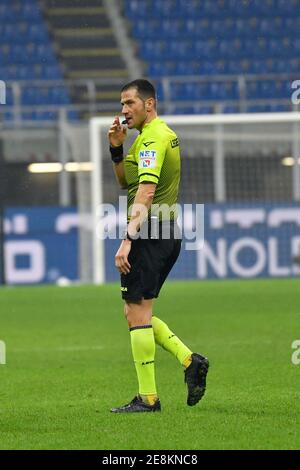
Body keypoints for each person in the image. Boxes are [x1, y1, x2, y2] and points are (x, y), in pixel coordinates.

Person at [108, 79, 209, 413]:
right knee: (136, 311)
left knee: (137, 313)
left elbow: (146, 192)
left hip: (150, 233)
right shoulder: (146, 138)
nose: (123, 111)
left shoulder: (153, 138)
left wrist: (127, 239)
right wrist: (116, 150)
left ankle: (148, 398)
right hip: (161, 232)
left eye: (129, 103)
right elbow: (128, 182)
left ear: (148, 104)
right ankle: (189, 360)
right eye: (122, 104)